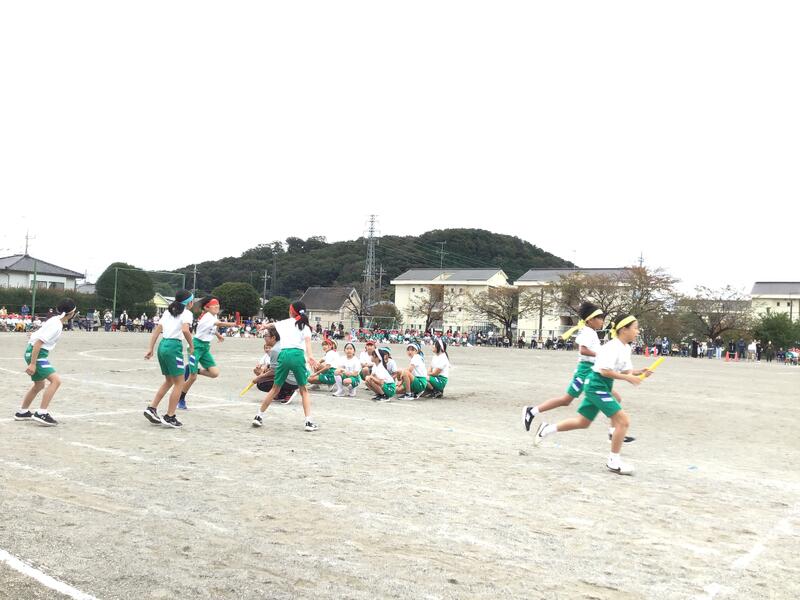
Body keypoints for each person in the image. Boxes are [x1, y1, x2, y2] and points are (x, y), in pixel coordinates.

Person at [533, 315, 654, 476]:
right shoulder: (611, 347)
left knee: (582, 422)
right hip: (596, 385)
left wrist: (640, 372)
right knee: (623, 421)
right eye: (635, 328)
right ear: (623, 329)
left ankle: (547, 429)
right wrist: (629, 378)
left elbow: (626, 371)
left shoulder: (625, 348)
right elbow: (605, 371)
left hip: (601, 385)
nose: (638, 331)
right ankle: (613, 461)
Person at [523, 303, 632, 443]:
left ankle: (612, 432)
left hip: (590, 371)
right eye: (599, 318)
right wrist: (601, 354)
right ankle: (531, 411)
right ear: (590, 320)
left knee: (610, 399)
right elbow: (583, 350)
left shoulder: (592, 332)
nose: (602, 321)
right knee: (566, 400)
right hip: (585, 371)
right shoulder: (587, 332)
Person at [252, 301, 319, 431]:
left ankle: (258, 416)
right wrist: (310, 357)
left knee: (275, 388)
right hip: (297, 356)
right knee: (303, 390)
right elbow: (308, 344)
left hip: (284, 355)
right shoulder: (305, 327)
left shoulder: (285, 323)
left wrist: (264, 326)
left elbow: (272, 325)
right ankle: (308, 422)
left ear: (291, 311)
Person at [16, 298, 78, 426]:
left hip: (33, 352)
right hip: (37, 354)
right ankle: (42, 413)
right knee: (56, 381)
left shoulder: (54, 320)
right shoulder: (57, 324)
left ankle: (22, 412)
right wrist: (33, 364)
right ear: (70, 313)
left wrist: (33, 336)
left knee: (39, 385)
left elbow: (39, 336)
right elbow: (39, 343)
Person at [143, 290, 195, 428]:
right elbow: (185, 330)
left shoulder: (168, 312)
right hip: (174, 347)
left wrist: (150, 348)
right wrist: (191, 345)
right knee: (179, 382)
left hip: (163, 345)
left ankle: (152, 408)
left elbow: (157, 331)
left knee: (169, 381)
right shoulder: (187, 313)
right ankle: (170, 416)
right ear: (188, 302)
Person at [178, 297, 236, 409]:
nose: (217, 306)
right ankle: (180, 398)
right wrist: (233, 324)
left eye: (218, 304)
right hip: (195, 347)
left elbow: (212, 328)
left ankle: (191, 369)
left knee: (214, 373)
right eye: (214, 305)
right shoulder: (207, 316)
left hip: (205, 348)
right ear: (206, 307)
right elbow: (219, 324)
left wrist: (218, 335)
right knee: (193, 377)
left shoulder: (213, 316)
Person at [252, 325, 298, 404]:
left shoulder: (275, 350)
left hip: (291, 380)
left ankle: (288, 392)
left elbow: (274, 371)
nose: (264, 338)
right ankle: (282, 393)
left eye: (266, 336)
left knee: (261, 383)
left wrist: (259, 377)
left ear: (273, 337)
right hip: (298, 378)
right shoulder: (284, 344)